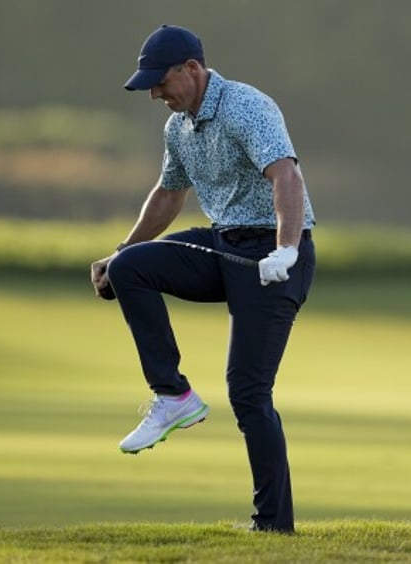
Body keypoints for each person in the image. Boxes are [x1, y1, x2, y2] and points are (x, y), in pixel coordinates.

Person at [90, 24, 316, 534]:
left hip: (275, 258)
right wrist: (119, 252)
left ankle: (273, 525)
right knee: (131, 267)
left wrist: (286, 246)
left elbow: (286, 176)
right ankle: (173, 396)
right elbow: (168, 195)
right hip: (224, 245)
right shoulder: (179, 127)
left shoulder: (246, 106)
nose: (154, 94)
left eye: (160, 81)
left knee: (248, 392)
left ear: (191, 70)